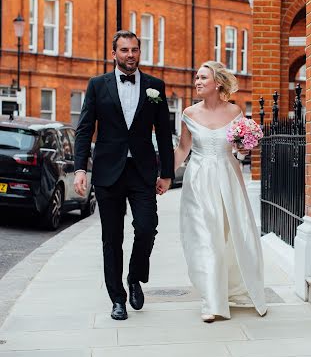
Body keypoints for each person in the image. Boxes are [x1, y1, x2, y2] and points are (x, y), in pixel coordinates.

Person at [73, 30, 174, 320]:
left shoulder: (155, 86)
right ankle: (117, 298)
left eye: (134, 50)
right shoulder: (97, 85)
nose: (130, 55)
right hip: (108, 172)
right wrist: (81, 168)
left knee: (146, 227)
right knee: (111, 237)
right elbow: (84, 129)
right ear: (114, 53)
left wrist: (167, 173)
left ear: (139, 52)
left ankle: (134, 277)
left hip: (141, 172)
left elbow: (164, 134)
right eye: (124, 50)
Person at [174, 61, 267, 323]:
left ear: (217, 83)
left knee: (230, 237)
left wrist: (244, 148)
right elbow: (182, 149)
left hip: (228, 178)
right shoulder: (189, 114)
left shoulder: (236, 112)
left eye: (203, 77)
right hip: (199, 180)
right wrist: (164, 177)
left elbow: (239, 151)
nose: (197, 82)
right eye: (196, 78)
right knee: (206, 238)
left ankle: (231, 290)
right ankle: (211, 302)